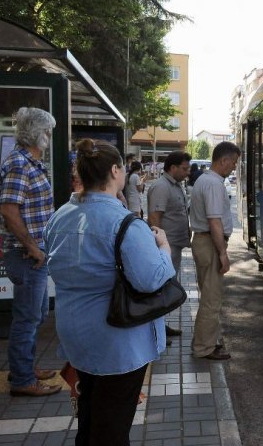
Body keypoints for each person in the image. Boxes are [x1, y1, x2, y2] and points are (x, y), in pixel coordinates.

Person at [44, 139, 174, 446]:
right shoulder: (125, 224)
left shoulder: (61, 215)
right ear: (116, 171)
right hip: (117, 340)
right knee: (112, 427)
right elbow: (152, 279)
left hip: (76, 333)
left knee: (90, 412)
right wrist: (164, 246)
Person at [0, 107, 61, 397]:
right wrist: (32, 247)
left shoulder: (31, 162)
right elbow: (9, 209)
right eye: (47, 130)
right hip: (26, 255)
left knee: (34, 314)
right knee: (27, 317)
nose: (49, 135)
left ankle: (25, 367)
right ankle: (22, 379)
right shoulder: (20, 164)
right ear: (36, 133)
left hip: (33, 253)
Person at [189, 141, 240, 360]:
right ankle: (203, 348)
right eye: (234, 163)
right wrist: (222, 252)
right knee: (211, 299)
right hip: (209, 243)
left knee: (209, 296)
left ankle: (206, 342)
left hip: (205, 242)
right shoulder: (213, 183)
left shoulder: (206, 180)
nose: (234, 167)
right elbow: (214, 221)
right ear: (224, 160)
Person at [147, 150, 192, 338]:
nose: (187, 172)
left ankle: (161, 326)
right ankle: (156, 330)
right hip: (167, 247)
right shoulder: (162, 187)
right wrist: (159, 246)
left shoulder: (175, 185)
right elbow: (155, 218)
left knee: (167, 287)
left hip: (174, 245)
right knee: (161, 288)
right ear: (172, 168)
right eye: (184, 168)